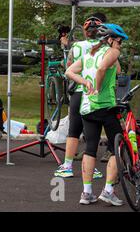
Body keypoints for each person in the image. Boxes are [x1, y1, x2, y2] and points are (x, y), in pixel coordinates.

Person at [66, 23, 128, 206]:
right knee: (118, 146)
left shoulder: (88, 55)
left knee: (91, 147)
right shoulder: (112, 52)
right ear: (110, 39)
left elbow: (69, 72)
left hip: (87, 107)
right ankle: (108, 190)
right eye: (119, 41)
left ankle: (87, 193)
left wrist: (85, 82)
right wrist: (98, 87)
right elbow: (102, 70)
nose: (121, 45)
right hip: (106, 106)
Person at [54, 13, 107, 179]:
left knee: (74, 130)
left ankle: (68, 166)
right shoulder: (105, 47)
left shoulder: (76, 47)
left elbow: (68, 67)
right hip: (96, 94)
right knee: (92, 132)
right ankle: (93, 168)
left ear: (85, 32)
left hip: (78, 91)